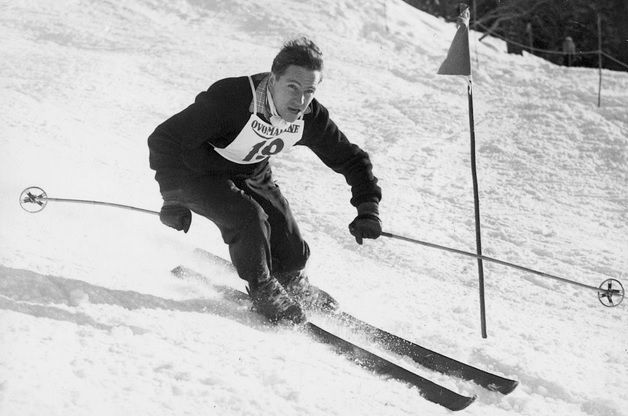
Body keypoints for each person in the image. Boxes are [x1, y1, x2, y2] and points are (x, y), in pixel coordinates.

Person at [148, 37, 382, 324]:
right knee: (249, 218)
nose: (300, 101)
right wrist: (172, 196)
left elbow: (351, 158)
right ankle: (263, 289)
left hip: (250, 171)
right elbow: (165, 138)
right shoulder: (231, 100)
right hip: (196, 172)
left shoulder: (309, 117)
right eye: (292, 87)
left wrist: (368, 208)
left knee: (289, 242)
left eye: (309, 91)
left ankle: (291, 280)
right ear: (273, 80)